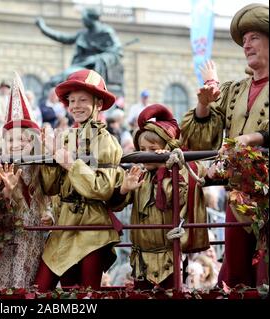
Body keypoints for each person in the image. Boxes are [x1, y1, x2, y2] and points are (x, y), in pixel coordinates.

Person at [180, 3, 268, 288]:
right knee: (237, 272)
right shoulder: (234, 90)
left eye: (253, 37)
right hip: (239, 195)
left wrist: (258, 138)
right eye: (244, 41)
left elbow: (256, 137)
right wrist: (204, 104)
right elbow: (202, 139)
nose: (247, 45)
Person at [34, 69, 122, 292]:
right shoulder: (63, 137)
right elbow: (51, 187)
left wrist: (68, 162)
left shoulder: (107, 141)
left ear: (98, 104)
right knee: (40, 289)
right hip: (64, 225)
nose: (76, 106)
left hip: (92, 227)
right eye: (72, 100)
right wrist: (48, 156)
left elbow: (102, 189)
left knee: (86, 295)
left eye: (83, 99)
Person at [109, 104, 209, 290]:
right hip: (141, 260)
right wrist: (123, 189)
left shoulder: (179, 172)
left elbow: (175, 197)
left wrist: (167, 169)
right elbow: (116, 206)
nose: (145, 154)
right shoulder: (138, 174)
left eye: (152, 149)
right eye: (142, 148)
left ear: (166, 149)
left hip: (170, 259)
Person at [0, 72, 52, 289]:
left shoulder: (42, 167)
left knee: (30, 285)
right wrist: (7, 192)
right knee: (6, 285)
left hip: (34, 240)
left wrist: (49, 216)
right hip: (9, 239)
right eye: (11, 139)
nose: (16, 144)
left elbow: (51, 200)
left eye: (22, 139)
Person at [36, 7, 123, 95]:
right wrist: (44, 28)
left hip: (92, 69)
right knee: (52, 82)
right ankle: (48, 105)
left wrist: (97, 59)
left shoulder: (106, 32)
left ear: (90, 18)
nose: (82, 19)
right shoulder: (83, 33)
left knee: (64, 78)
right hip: (80, 65)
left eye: (83, 17)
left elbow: (117, 52)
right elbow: (63, 38)